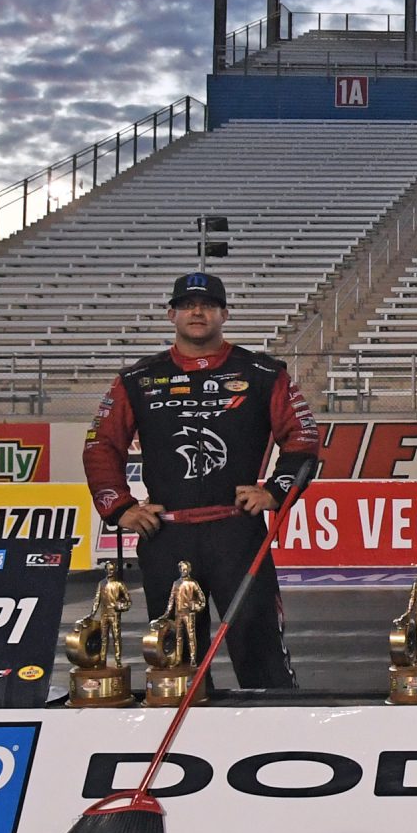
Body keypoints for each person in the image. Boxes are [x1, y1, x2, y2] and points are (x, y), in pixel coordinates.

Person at [82, 272, 320, 688]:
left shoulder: (263, 372)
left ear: (224, 314)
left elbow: (303, 439)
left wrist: (275, 491)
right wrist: (120, 507)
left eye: (208, 305)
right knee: (176, 658)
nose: (197, 312)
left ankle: (277, 733)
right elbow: (101, 444)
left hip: (237, 532)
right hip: (166, 533)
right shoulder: (137, 379)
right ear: (172, 314)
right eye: (188, 305)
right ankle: (186, 747)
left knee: (257, 643)